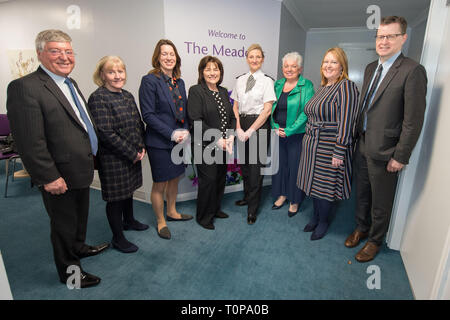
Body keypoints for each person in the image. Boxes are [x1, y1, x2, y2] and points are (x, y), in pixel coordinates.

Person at [6, 29, 109, 288]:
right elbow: (29, 140)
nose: (64, 57)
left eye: (68, 51)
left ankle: (79, 247)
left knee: (79, 217)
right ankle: (71, 274)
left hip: (80, 168)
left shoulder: (70, 84)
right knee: (63, 225)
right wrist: (48, 176)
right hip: (58, 174)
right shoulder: (24, 87)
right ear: (40, 53)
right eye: (55, 51)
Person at [345, 16, 427, 262]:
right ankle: (362, 227)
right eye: (380, 36)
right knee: (361, 194)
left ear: (403, 38)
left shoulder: (412, 71)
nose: (384, 41)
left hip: (387, 150)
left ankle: (375, 240)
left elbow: (413, 120)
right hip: (363, 144)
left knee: (381, 201)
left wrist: (400, 156)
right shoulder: (371, 68)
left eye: (390, 36)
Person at [297, 47, 360, 241]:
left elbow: (347, 122)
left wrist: (339, 151)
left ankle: (323, 221)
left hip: (329, 146)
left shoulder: (346, 87)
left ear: (342, 66)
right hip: (311, 144)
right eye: (326, 61)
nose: (328, 65)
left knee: (324, 188)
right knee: (313, 185)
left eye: (333, 62)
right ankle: (315, 217)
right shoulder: (323, 88)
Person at [88, 56, 148, 253]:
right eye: (111, 72)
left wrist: (142, 146)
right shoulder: (98, 98)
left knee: (128, 191)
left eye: (120, 71)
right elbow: (105, 133)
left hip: (132, 154)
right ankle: (118, 238)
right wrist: (132, 152)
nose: (117, 76)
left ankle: (129, 221)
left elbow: (138, 124)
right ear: (102, 75)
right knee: (115, 199)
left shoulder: (127, 95)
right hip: (113, 158)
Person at [139, 39, 193, 240]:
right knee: (160, 183)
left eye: (172, 54)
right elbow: (148, 115)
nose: (169, 57)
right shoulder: (150, 80)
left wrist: (185, 131)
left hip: (179, 141)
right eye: (164, 54)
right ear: (157, 57)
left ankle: (172, 211)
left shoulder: (179, 82)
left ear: (176, 57)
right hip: (160, 142)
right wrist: (171, 133)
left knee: (175, 179)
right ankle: (161, 221)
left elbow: (184, 112)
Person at [187, 56, 236, 230]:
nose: (212, 72)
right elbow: (196, 121)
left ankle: (215, 210)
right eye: (208, 69)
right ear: (202, 72)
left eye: (215, 69)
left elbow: (231, 117)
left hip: (224, 145)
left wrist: (230, 136)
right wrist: (218, 139)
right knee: (208, 181)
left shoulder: (223, 91)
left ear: (220, 72)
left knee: (220, 179)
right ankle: (203, 217)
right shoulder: (196, 91)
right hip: (205, 146)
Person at [231, 44, 276, 225]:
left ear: (262, 59)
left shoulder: (267, 81)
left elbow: (267, 110)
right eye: (251, 56)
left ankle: (252, 209)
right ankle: (247, 197)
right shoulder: (240, 80)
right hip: (242, 124)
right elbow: (235, 105)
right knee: (245, 166)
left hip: (259, 125)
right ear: (247, 58)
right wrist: (239, 128)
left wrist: (250, 130)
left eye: (258, 57)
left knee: (255, 169)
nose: (255, 60)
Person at [270, 52, 314, 216]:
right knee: (280, 167)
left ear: (300, 68)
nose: (289, 69)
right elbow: (270, 108)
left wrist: (289, 130)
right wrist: (275, 127)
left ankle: (294, 200)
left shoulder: (306, 85)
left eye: (293, 66)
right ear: (282, 68)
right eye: (286, 66)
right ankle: (282, 195)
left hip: (296, 135)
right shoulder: (277, 84)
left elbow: (306, 112)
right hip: (277, 132)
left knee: (295, 168)